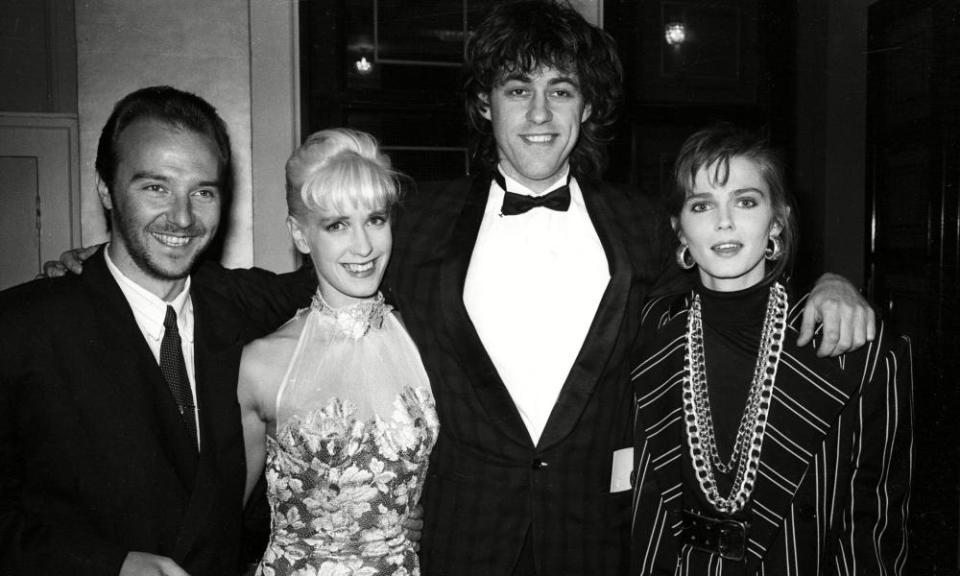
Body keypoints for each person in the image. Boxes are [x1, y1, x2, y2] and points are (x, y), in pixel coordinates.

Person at [387, 1, 875, 575]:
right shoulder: (416, 224)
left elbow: (729, 289)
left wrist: (831, 280)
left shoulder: (639, 224)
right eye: (518, 90)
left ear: (587, 105)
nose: (539, 112)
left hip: (597, 537)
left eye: (561, 90)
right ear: (484, 103)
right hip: (462, 532)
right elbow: (326, 304)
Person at [0, 86, 313, 576]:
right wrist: (106, 567)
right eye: (156, 188)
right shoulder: (22, 327)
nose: (183, 217)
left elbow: (355, 266)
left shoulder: (242, 306)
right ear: (106, 187)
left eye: (203, 192)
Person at [629, 123, 913, 573]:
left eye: (745, 201)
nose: (724, 221)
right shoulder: (648, 329)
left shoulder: (857, 349)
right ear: (679, 231)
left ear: (777, 220)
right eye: (702, 205)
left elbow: (875, 523)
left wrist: (835, 281)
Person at [237, 129, 438, 576]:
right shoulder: (262, 363)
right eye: (337, 225)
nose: (364, 247)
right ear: (300, 234)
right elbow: (220, 516)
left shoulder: (426, 342)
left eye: (375, 219)